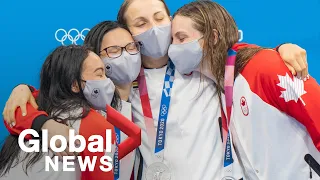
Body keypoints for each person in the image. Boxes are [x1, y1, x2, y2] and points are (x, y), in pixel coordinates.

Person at [2, 0, 310, 179]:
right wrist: (24, 90)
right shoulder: (119, 85)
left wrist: (282, 49)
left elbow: (238, 57)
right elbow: (62, 92)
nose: (154, 28)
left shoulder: (200, 65)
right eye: (141, 22)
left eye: (160, 18)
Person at [168, 1, 320, 179]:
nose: (173, 47)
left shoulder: (264, 66)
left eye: (181, 38)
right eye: (172, 40)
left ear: (212, 38)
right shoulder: (215, 83)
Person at [0, 45, 141, 180]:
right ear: (74, 85)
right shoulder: (95, 125)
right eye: (99, 74)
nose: (107, 81)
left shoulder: (29, 108)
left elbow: (13, 115)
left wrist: (22, 88)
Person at [84, 20, 143, 180]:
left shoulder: (146, 96)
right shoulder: (82, 108)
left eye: (131, 47)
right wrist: (23, 89)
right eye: (114, 50)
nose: (126, 56)